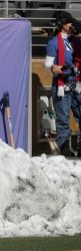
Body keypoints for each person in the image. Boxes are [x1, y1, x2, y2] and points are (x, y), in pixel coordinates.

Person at [45, 11, 81, 157]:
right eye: (68, 22)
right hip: (62, 86)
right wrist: (54, 67)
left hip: (77, 84)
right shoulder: (53, 42)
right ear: (61, 24)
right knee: (63, 118)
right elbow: (48, 64)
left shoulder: (76, 41)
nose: (71, 24)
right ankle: (64, 147)